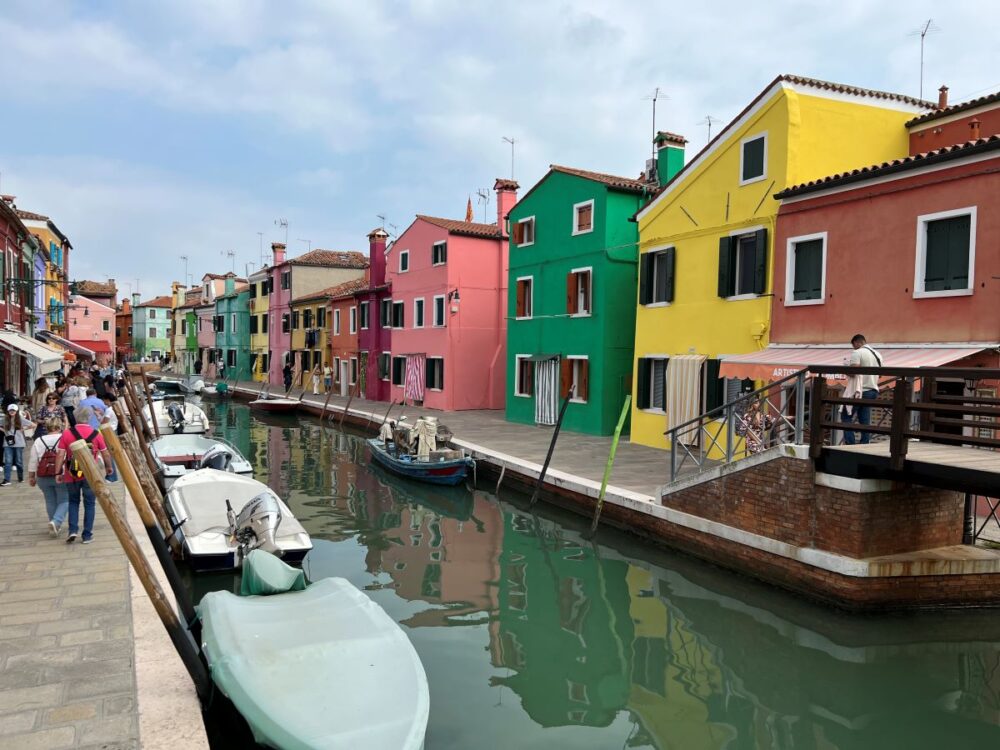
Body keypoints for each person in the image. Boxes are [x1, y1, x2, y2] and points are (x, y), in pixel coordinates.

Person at [54, 406, 113, 544]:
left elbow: (60, 454)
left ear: (75, 417)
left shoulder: (67, 434)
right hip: (90, 474)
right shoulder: (96, 434)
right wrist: (109, 467)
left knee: (73, 502)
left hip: (71, 474)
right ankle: (87, 535)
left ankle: (73, 530)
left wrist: (58, 472)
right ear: (90, 417)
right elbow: (105, 453)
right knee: (90, 504)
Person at [28, 417, 69, 536]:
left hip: (43, 476)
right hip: (60, 474)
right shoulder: (64, 438)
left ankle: (54, 525)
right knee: (65, 500)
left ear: (47, 428)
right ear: (60, 427)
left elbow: (33, 460)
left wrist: (31, 476)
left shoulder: (38, 440)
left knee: (50, 500)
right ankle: (56, 522)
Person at [842, 334, 883, 445]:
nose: (854, 348)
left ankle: (850, 443)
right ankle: (865, 442)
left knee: (846, 415)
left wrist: (845, 369)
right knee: (864, 418)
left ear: (857, 343)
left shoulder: (857, 352)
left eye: (854, 346)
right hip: (873, 390)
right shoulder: (878, 355)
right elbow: (880, 375)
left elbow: (853, 372)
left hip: (860, 390)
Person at [1, 403, 34, 486]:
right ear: (8, 411)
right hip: (8, 442)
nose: (12, 412)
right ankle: (7, 479)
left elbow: (33, 424)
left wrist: (24, 428)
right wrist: (4, 430)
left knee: (18, 462)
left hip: (19, 442)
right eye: (10, 410)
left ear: (16, 411)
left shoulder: (20, 419)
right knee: (8, 461)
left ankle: (20, 477)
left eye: (14, 410)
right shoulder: (5, 419)